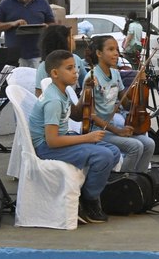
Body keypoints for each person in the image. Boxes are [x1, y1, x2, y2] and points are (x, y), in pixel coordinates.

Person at [30, 49, 120, 224]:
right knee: (104, 155)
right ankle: (89, 200)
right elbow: (52, 140)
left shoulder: (60, 92)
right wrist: (87, 138)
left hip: (61, 141)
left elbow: (76, 115)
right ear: (55, 73)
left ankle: (87, 192)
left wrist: (86, 89)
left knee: (113, 151)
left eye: (76, 68)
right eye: (69, 68)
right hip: (47, 148)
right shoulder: (53, 101)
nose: (76, 72)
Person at [83, 36, 156, 173]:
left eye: (117, 49)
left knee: (149, 144)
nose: (116, 53)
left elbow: (127, 104)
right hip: (98, 132)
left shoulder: (116, 74)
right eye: (111, 49)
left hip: (113, 128)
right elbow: (91, 116)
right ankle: (122, 183)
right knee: (135, 147)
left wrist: (140, 85)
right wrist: (117, 131)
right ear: (99, 53)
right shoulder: (92, 78)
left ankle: (139, 180)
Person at [34, 25, 87, 97]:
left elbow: (85, 81)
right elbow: (39, 94)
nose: (73, 39)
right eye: (71, 37)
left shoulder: (76, 58)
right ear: (63, 41)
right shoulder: (45, 66)